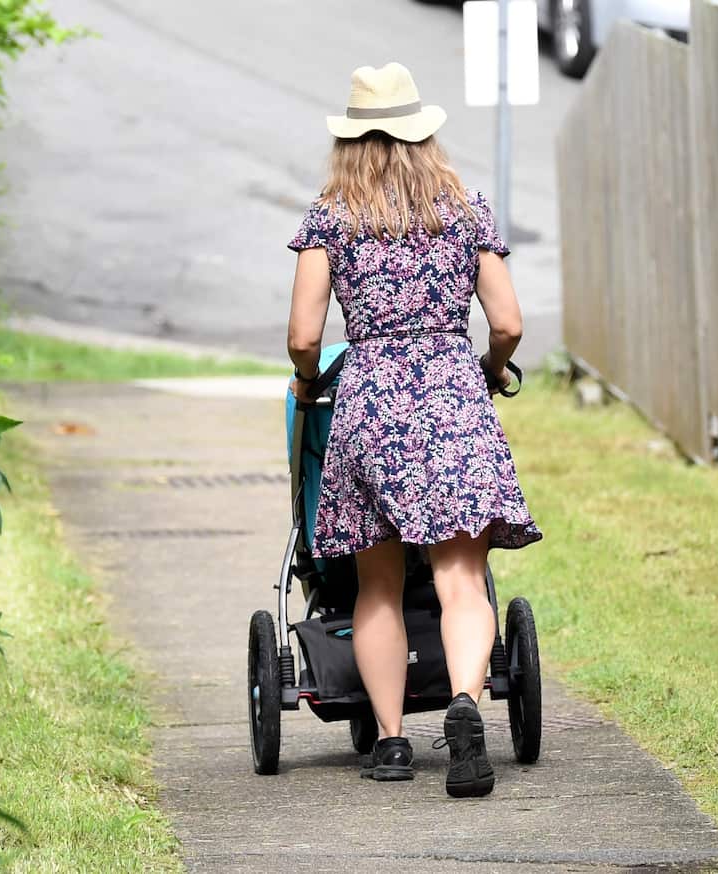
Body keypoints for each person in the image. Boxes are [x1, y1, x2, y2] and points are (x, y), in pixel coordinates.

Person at [286, 62, 541, 799]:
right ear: (423, 133)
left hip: (369, 403)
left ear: (350, 140)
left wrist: (310, 385)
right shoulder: (465, 210)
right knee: (461, 577)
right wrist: (491, 368)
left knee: (378, 586)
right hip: (452, 397)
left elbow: (305, 338)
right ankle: (464, 703)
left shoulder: (329, 217)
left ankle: (392, 743)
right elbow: (510, 322)